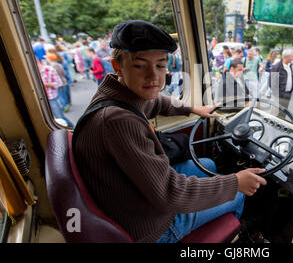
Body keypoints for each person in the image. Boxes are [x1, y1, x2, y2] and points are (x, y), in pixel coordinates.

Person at [73, 20, 266, 243]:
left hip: (129, 198)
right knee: (239, 194)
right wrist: (235, 183)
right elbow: (168, 194)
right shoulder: (118, 122)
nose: (153, 76)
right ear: (117, 66)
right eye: (139, 65)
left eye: (160, 65)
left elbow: (154, 102)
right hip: (151, 227)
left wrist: (192, 108)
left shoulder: (117, 94)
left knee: (210, 165)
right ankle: (238, 236)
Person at [36, 57, 74, 127]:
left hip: (51, 98)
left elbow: (59, 83)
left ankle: (73, 130)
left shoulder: (49, 69)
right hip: (40, 99)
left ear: (37, 61)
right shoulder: (33, 73)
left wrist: (47, 84)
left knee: (60, 117)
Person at [269, 48, 293, 113]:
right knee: (275, 114)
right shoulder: (276, 67)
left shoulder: (290, 66)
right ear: (286, 57)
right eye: (292, 56)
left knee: (283, 114)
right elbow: (272, 83)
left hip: (287, 94)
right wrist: (278, 95)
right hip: (279, 96)